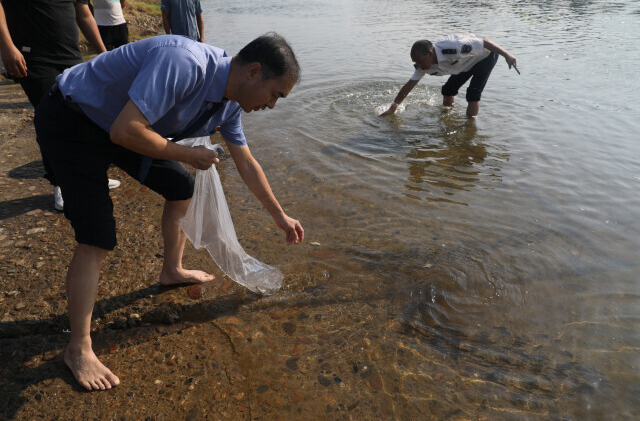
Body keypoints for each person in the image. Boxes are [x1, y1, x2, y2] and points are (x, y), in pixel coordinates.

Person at [34, 32, 304, 391]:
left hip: (120, 125)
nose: (272, 105)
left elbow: (247, 163)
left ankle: (172, 270)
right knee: (97, 235)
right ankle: (78, 348)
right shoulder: (183, 62)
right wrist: (189, 155)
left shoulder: (230, 104)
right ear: (253, 71)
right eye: (275, 95)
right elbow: (126, 130)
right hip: (73, 119)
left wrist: (280, 216)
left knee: (181, 188)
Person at [0, 0, 120, 211]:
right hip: (33, 57)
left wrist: (104, 53)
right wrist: (7, 47)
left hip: (70, 55)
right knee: (51, 117)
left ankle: (91, 176)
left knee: (84, 115)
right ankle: (61, 183)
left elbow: (83, 14)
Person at [380, 34, 517, 118]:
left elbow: (485, 42)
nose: (419, 66)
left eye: (420, 61)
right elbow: (409, 85)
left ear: (430, 53)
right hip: (464, 64)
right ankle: (447, 116)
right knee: (447, 90)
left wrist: (507, 55)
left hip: (485, 57)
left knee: (473, 94)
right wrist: (393, 107)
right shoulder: (422, 66)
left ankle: (469, 126)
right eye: (416, 62)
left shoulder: (454, 47)